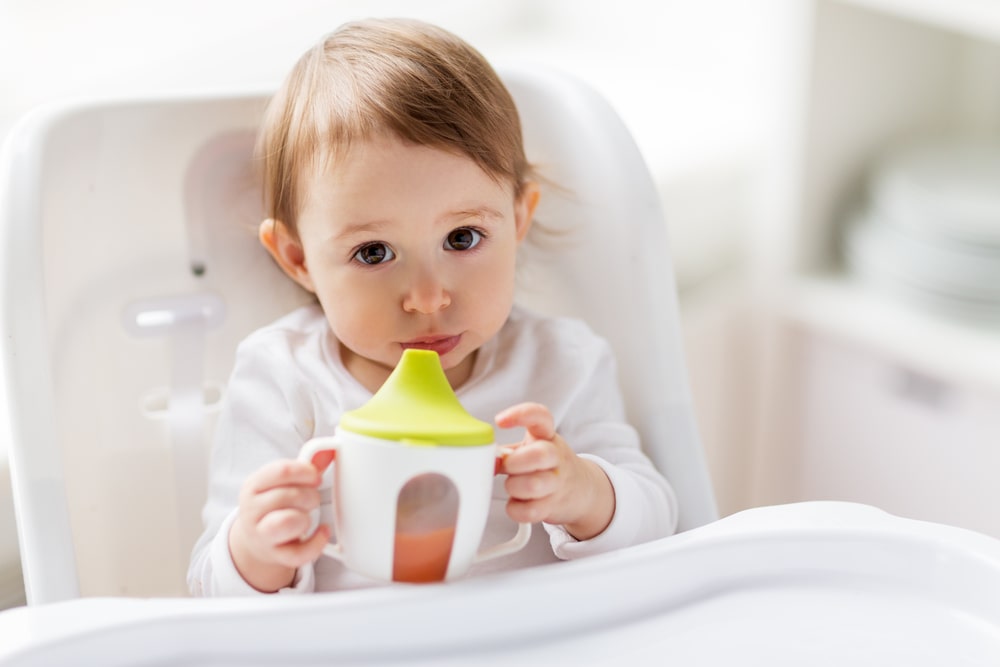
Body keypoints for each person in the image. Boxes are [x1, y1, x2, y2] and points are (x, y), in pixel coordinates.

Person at [188, 17, 677, 596]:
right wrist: (255, 551)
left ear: (518, 222)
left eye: (463, 238)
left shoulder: (560, 363)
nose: (427, 297)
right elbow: (209, 589)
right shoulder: (284, 378)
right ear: (297, 259)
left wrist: (587, 493)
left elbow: (660, 523)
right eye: (373, 252)